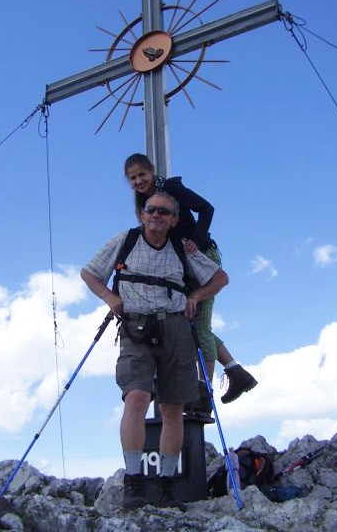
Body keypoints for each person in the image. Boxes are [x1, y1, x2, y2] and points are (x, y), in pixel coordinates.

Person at [81, 192, 229, 509]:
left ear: (174, 220)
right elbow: (90, 272)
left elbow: (220, 277)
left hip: (175, 328)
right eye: (151, 209)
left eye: (164, 211)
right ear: (143, 214)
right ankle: (134, 481)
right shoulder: (126, 240)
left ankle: (165, 483)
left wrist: (196, 296)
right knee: (136, 398)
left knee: (173, 408)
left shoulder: (180, 247)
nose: (157, 215)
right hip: (135, 329)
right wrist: (110, 297)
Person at [124, 153, 257, 410]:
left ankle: (203, 391)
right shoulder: (144, 201)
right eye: (133, 178)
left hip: (201, 257)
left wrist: (198, 238)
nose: (139, 180)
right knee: (189, 321)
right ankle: (235, 372)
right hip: (182, 264)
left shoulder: (171, 188)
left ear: (152, 172)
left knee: (198, 325)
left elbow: (206, 208)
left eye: (142, 174)